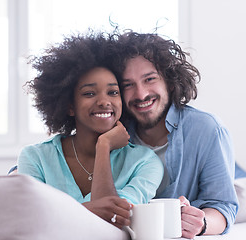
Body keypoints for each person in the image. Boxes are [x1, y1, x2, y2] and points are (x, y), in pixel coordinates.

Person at [17, 31, 163, 229]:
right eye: (89, 93)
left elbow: (113, 222)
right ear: (69, 106)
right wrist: (90, 210)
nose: (104, 102)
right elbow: (29, 221)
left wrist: (103, 146)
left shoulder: (144, 162)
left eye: (113, 92)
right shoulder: (35, 158)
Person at [110, 31, 238, 238]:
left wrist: (201, 222)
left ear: (169, 81)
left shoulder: (207, 129)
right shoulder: (111, 133)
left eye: (149, 79)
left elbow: (223, 206)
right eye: (128, 85)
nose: (141, 94)